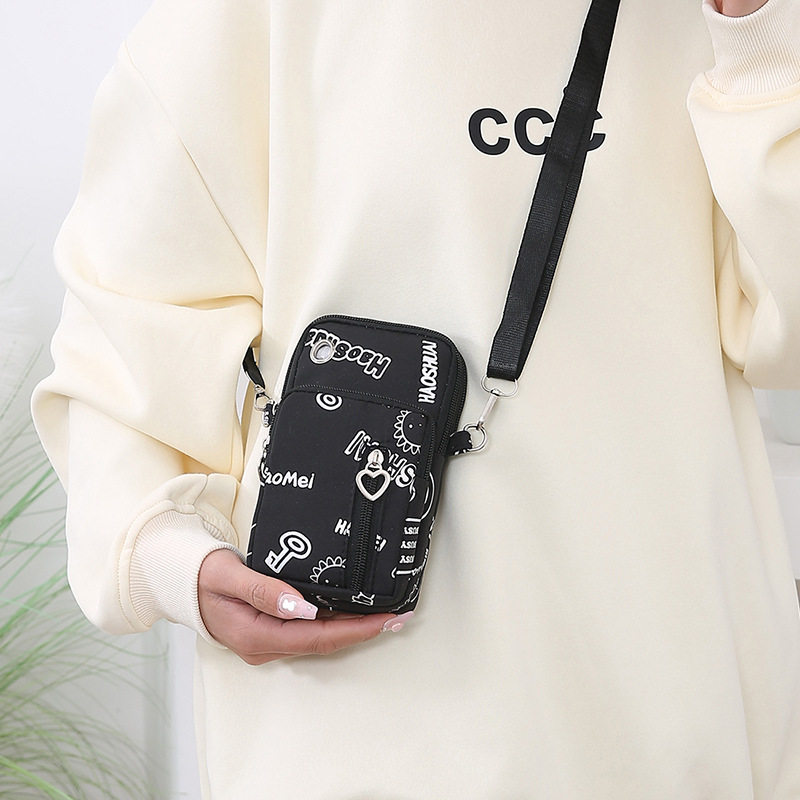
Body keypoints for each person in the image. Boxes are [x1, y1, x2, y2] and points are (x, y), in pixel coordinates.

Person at [32, 0, 800, 797]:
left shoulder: (727, 24)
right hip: (358, 733)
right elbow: (121, 332)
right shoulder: (241, 23)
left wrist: (760, 36)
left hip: (675, 723)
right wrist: (172, 562)